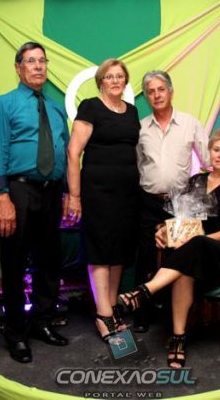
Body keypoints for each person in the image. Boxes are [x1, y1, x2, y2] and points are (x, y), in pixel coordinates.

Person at [121, 129, 220, 368]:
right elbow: (182, 218)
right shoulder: (196, 181)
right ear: (209, 152)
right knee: (186, 263)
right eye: (216, 150)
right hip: (190, 253)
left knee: (196, 245)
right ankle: (178, 339)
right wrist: (165, 231)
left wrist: (204, 238)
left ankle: (146, 291)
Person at [134, 70, 220, 332]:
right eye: (151, 91)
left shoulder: (189, 123)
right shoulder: (140, 127)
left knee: (180, 253)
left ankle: (172, 311)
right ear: (147, 97)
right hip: (148, 201)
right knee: (146, 256)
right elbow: (137, 164)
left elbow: (211, 159)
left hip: (182, 204)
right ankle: (142, 313)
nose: (156, 95)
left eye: (161, 89)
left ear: (171, 92)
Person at [0, 41, 70, 364]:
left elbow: (64, 152)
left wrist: (67, 194)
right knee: (15, 263)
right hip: (19, 192)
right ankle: (17, 333)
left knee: (50, 261)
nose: (38, 66)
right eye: (31, 61)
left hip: (52, 192)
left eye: (42, 61)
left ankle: (43, 322)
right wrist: (3, 197)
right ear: (18, 68)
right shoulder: (4, 104)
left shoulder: (56, 108)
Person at [67, 58, 140, 342]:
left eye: (119, 76)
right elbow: (74, 153)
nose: (115, 81)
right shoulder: (90, 107)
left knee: (119, 249)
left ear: (126, 81)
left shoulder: (132, 111)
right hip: (97, 192)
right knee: (100, 248)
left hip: (127, 193)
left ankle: (111, 307)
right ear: (100, 81)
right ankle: (102, 314)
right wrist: (75, 196)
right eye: (109, 76)